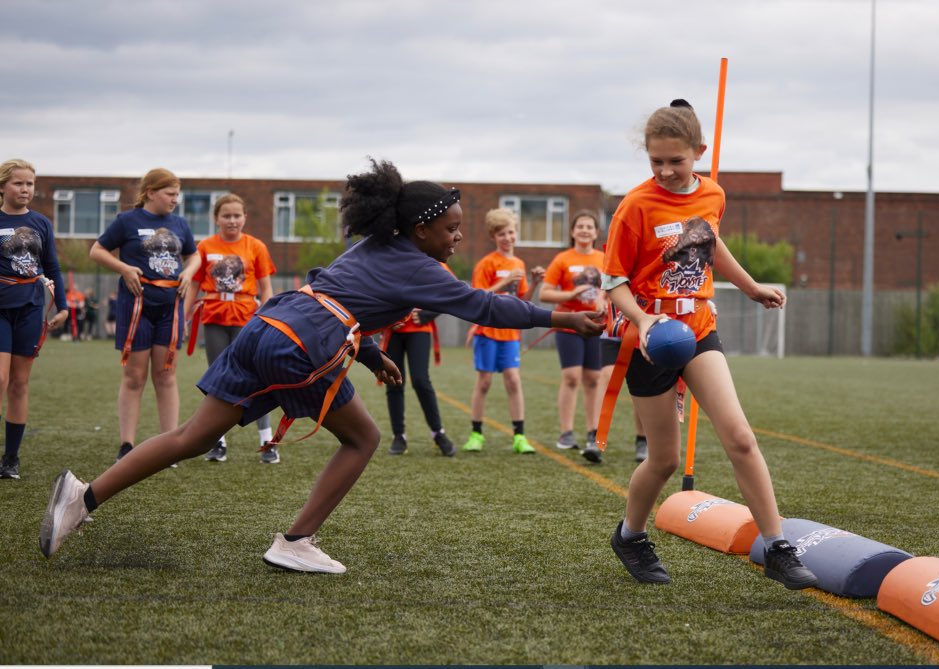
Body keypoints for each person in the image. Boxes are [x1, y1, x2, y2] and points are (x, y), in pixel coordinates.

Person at [39, 158, 603, 574]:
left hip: (271, 325)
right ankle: (294, 541)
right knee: (363, 439)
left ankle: (82, 497)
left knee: (190, 435)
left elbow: (341, 301)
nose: (458, 237)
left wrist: (374, 353)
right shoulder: (420, 266)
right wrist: (568, 321)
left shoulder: (373, 248)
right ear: (420, 230)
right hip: (303, 340)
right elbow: (485, 304)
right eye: (452, 228)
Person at [601, 100, 817, 590]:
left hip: (697, 329)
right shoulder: (635, 206)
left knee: (740, 436)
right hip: (651, 340)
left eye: (676, 160)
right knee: (664, 460)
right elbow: (612, 281)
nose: (665, 170)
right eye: (656, 161)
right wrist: (643, 319)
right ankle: (631, 535)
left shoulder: (713, 194)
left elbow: (710, 243)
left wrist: (751, 286)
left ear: (699, 152)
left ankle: (777, 546)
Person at [89, 168, 199, 463]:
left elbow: (194, 254)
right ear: (150, 192)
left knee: (166, 375)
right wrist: (124, 269)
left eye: (178, 194)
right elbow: (97, 251)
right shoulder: (127, 221)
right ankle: (127, 444)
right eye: (170, 193)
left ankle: (170, 446)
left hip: (169, 307)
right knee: (135, 376)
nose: (175, 200)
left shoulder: (179, 223)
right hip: (136, 306)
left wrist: (189, 271)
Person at [184, 193, 277, 464]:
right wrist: (184, 316)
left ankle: (267, 441)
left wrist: (267, 318)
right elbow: (195, 285)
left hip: (247, 318)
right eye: (226, 215)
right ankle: (217, 441)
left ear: (245, 217)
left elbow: (266, 287)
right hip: (214, 318)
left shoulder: (256, 246)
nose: (232, 220)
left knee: (256, 378)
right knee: (219, 380)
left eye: (237, 215)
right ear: (216, 219)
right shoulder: (204, 247)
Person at [0, 159, 69, 480]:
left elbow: (52, 267)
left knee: (19, 383)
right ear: (2, 186)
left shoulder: (41, 222)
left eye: (29, 183)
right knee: (0, 380)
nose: (25, 189)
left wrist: (63, 306)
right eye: (18, 183)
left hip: (30, 308)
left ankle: (11, 458)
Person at [461, 208, 545, 455]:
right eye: (501, 234)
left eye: (510, 232)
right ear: (493, 237)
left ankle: (519, 436)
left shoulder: (518, 263)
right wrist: (504, 281)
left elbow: (522, 301)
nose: (507, 237)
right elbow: (476, 298)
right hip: (487, 331)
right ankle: (476, 434)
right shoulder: (486, 264)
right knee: (484, 382)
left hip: (510, 333)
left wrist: (535, 282)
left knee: (513, 379)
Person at [539, 210, 605, 452]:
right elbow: (545, 293)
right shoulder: (562, 259)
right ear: (573, 231)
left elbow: (615, 288)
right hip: (569, 324)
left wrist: (604, 299)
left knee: (594, 379)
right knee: (571, 377)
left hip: (596, 325)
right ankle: (566, 432)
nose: (585, 230)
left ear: (596, 233)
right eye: (581, 226)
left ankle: (592, 432)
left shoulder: (605, 258)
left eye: (590, 227)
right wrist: (570, 294)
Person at [382, 260, 457, 457]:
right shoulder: (392, 256)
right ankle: (399, 435)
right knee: (394, 381)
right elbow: (376, 288)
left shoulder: (433, 261)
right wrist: (389, 316)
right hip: (393, 331)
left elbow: (453, 292)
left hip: (419, 331)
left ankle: (438, 433)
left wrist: (428, 313)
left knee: (421, 380)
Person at [580, 302, 647, 465]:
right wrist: (599, 301)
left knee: (641, 385)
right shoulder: (609, 274)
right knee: (605, 378)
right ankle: (595, 438)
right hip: (612, 331)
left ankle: (642, 440)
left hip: (639, 331)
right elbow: (602, 291)